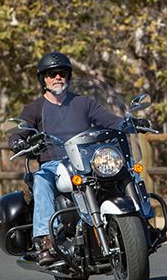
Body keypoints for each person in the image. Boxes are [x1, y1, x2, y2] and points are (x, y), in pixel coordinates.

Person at [8, 51, 149, 265]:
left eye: (62, 73)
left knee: (123, 170)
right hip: (55, 163)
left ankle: (143, 223)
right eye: (52, 74)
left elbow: (108, 119)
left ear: (68, 76)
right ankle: (46, 240)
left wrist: (129, 123)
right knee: (41, 180)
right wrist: (18, 140)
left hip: (87, 159)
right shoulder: (35, 108)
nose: (57, 77)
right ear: (43, 79)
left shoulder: (83, 103)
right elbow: (23, 129)